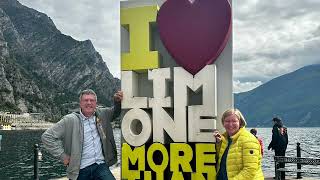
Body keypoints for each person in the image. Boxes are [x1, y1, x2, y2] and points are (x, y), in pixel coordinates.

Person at [42, 89, 123, 180]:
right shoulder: (70, 120)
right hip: (80, 169)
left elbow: (116, 111)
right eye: (86, 100)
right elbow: (47, 136)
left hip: (100, 166)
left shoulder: (103, 114)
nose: (89, 103)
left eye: (92, 100)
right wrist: (62, 155)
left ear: (96, 103)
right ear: (80, 103)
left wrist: (117, 102)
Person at [214, 108, 264, 180]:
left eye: (234, 121)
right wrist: (218, 143)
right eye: (227, 121)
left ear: (240, 122)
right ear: (223, 123)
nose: (230, 124)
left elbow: (250, 170)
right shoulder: (225, 139)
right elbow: (225, 159)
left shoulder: (249, 140)